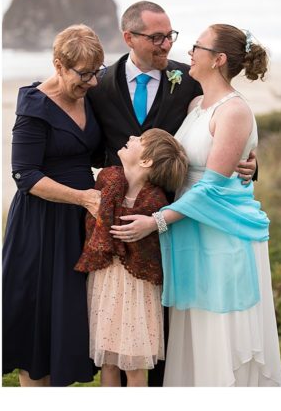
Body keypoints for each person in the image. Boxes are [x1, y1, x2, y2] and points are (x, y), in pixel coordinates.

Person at [88, 1, 257, 386]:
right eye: (156, 38)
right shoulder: (99, 85)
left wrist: (250, 162)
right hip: (124, 219)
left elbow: (226, 129)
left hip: (176, 218)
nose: (167, 45)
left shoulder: (190, 80)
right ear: (128, 37)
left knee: (169, 322)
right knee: (126, 326)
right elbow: (88, 144)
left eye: (171, 36)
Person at [2, 24, 103, 387]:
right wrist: (83, 197)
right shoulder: (34, 109)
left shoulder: (90, 95)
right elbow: (25, 175)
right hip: (41, 226)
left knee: (68, 327)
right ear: (58, 64)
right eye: (84, 73)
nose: (91, 82)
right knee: (37, 331)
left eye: (97, 72)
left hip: (79, 224)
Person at [74, 129, 188, 387]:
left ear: (146, 161)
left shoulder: (154, 202)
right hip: (105, 280)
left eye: (140, 140)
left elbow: (152, 252)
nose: (132, 137)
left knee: (136, 366)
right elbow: (94, 228)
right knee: (108, 363)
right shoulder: (107, 179)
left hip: (139, 289)